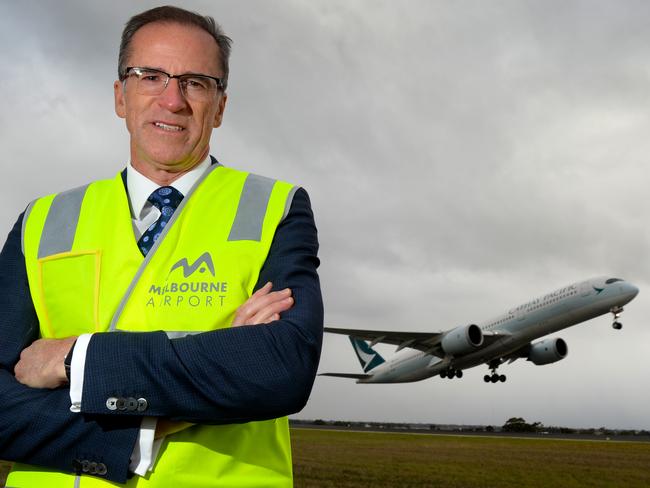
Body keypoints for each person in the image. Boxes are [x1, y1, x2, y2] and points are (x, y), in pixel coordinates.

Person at [0, 5, 322, 487]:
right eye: (150, 76)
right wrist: (140, 432)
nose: (172, 100)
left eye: (195, 82)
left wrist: (76, 361)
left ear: (221, 106)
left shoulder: (273, 207)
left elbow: (279, 368)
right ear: (120, 96)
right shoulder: (42, 220)